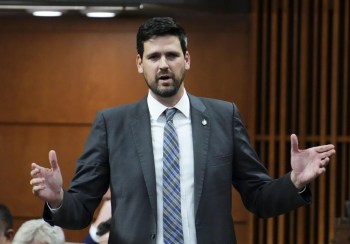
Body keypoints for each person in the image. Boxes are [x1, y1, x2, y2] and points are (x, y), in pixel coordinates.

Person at [29, 17, 336, 243]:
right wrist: (57, 199)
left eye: (172, 55)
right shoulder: (113, 124)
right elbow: (81, 209)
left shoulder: (223, 117)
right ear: (139, 63)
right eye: (153, 57)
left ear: (186, 59)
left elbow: (257, 197)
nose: (163, 65)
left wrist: (294, 181)